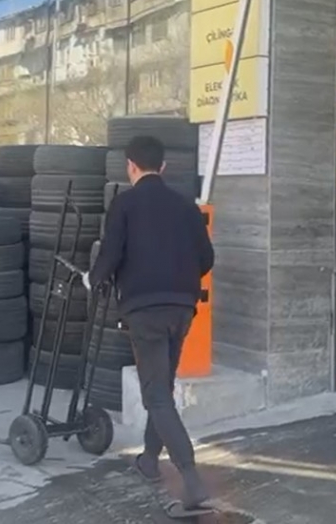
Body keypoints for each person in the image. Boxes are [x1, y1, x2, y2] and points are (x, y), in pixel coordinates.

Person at [86, 135, 215, 517]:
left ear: (130, 166)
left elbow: (111, 253)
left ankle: (190, 477)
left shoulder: (124, 204)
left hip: (145, 311)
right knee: (162, 387)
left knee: (156, 394)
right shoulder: (186, 206)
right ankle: (148, 459)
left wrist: (93, 280)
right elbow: (206, 257)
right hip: (182, 308)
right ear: (163, 166)